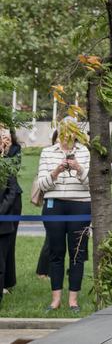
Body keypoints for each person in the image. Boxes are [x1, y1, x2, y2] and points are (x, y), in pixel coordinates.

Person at [35, 123, 90, 312]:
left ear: (76, 135)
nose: (66, 136)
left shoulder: (84, 152)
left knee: (77, 253)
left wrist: (79, 169)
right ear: (58, 134)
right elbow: (42, 184)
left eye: (71, 132)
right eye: (63, 132)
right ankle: (55, 299)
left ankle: (73, 300)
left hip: (80, 204)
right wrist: (56, 171)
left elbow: (91, 183)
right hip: (54, 205)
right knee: (56, 252)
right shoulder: (47, 152)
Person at [0, 126, 22, 306]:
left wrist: (5, 151)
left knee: (7, 243)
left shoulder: (14, 150)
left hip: (9, 205)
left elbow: (11, 183)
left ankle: (7, 281)